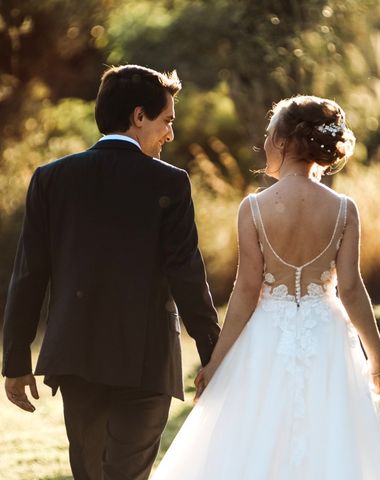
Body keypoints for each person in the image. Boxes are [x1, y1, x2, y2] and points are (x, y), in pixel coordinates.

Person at [152, 95, 380, 479]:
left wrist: (217, 363)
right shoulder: (344, 209)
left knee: (257, 437)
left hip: (266, 337)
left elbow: (246, 290)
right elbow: (350, 289)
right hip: (327, 337)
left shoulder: (253, 208)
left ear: (283, 142)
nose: (264, 144)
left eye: (269, 135)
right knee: (328, 438)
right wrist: (378, 359)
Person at [2, 65, 220, 480]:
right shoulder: (170, 182)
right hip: (147, 359)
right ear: (139, 116)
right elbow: (186, 274)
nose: (169, 134)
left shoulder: (51, 179)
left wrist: (15, 359)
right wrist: (214, 353)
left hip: (77, 356)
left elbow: (29, 274)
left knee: (90, 473)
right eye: (167, 121)